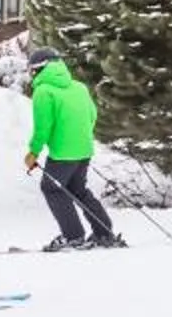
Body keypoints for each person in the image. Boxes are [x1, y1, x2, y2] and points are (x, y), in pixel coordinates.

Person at [21, 50, 124, 252]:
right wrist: (79, 138)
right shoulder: (79, 87)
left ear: (39, 69)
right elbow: (92, 115)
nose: (31, 74)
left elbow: (44, 127)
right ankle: (104, 233)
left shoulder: (43, 91)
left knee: (52, 189)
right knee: (79, 190)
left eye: (32, 70)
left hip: (62, 153)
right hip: (84, 149)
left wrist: (33, 152)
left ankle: (73, 236)